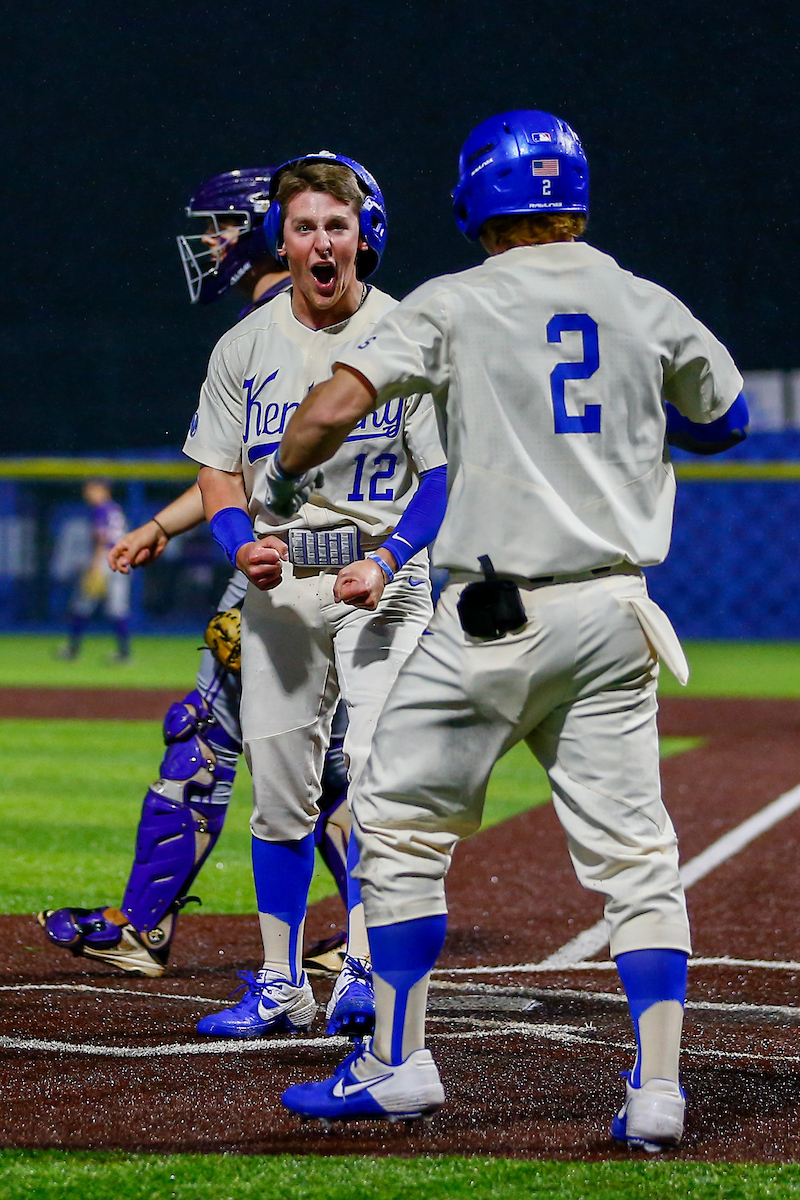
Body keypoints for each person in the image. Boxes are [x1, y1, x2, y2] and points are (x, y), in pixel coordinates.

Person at [270, 112, 748, 1148]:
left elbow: (330, 410)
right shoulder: (641, 301)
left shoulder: (451, 303)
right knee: (636, 859)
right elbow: (722, 421)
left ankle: (396, 1066)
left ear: (472, 202)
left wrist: (278, 473)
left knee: (393, 822)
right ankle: (657, 1093)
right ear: (574, 198)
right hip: (616, 614)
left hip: (489, 618)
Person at [38, 169, 352, 979]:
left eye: (219, 225)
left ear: (260, 227)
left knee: (220, 735)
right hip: (345, 561)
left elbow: (270, 463)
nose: (208, 242)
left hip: (294, 561)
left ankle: (143, 926)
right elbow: (257, 463)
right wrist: (161, 524)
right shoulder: (325, 314)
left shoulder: (277, 325)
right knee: (318, 750)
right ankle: (365, 928)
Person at [184, 152, 448, 1040]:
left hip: (385, 582)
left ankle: (364, 971)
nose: (322, 241)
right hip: (285, 588)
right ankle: (280, 984)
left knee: (377, 778)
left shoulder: (406, 331)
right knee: (281, 796)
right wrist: (237, 542)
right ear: (282, 241)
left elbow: (443, 480)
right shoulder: (242, 347)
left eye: (337, 225)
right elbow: (219, 474)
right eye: (304, 227)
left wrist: (394, 556)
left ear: (362, 237)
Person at [57, 478, 131, 664]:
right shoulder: (115, 509)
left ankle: (73, 650)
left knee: (82, 604)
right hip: (122, 560)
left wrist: (95, 566)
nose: (87, 494)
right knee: (117, 609)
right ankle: (124, 654)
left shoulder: (101, 509)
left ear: (102, 489)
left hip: (105, 559)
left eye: (91, 489)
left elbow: (101, 539)